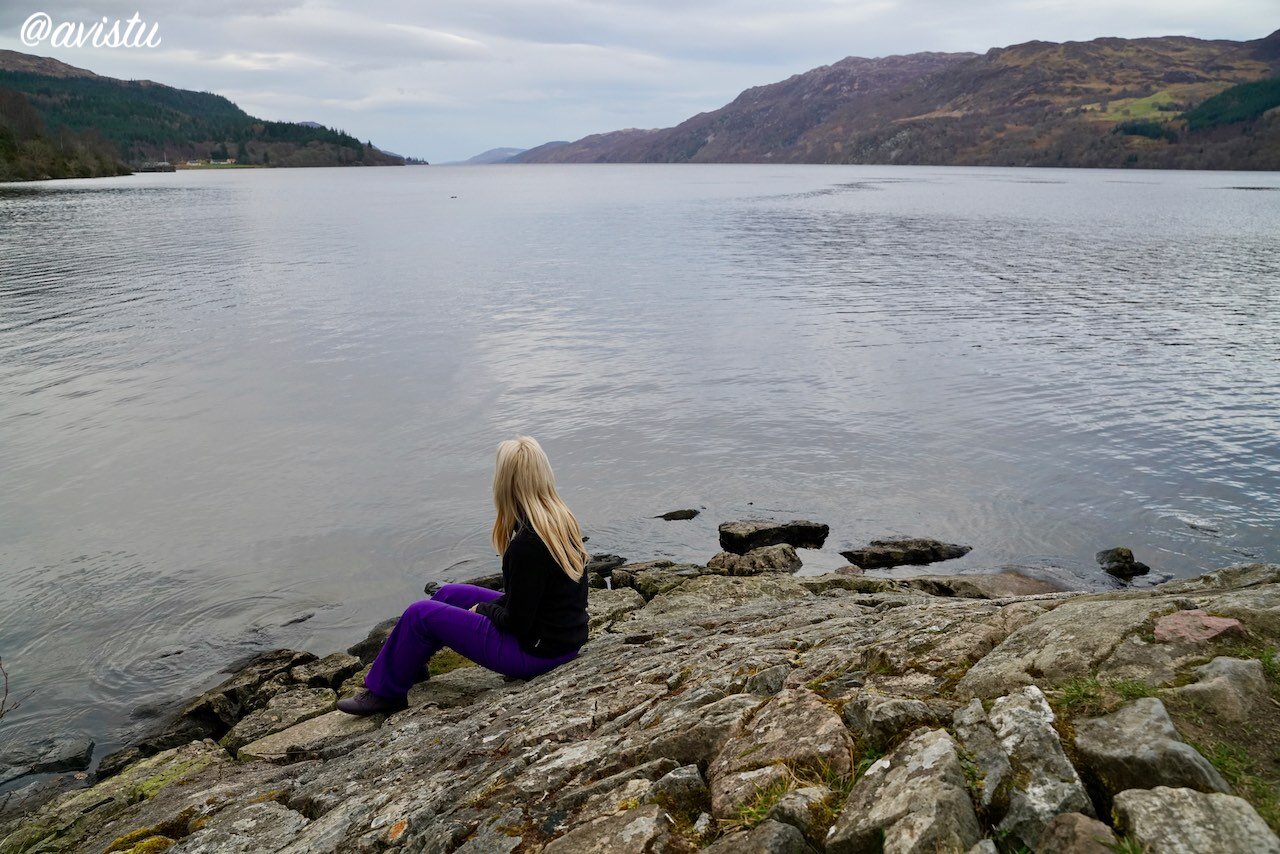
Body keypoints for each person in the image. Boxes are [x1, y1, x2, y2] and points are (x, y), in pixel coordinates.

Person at [337, 436, 591, 716]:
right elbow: (537, 599)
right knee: (448, 594)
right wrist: (488, 607)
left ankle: (386, 694)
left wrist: (483, 609)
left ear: (505, 483)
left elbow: (517, 623)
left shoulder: (526, 546)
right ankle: (408, 664)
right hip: (560, 641)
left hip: (536, 655)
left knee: (420, 613)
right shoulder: (559, 520)